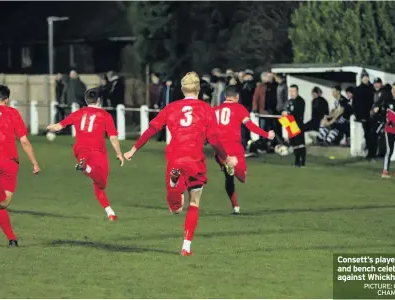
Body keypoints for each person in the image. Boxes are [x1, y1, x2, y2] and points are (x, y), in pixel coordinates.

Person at [123, 72, 238, 256]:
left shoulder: (172, 107)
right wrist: (226, 157)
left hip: (175, 157)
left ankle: (175, 183)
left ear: (183, 89)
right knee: (194, 202)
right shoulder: (206, 109)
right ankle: (186, 246)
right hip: (195, 159)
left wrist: (133, 150)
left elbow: (152, 129)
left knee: (175, 209)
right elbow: (214, 139)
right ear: (199, 89)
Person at [47, 88, 124, 220]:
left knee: (95, 181)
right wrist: (119, 153)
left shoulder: (78, 113)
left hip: (80, 151)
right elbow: (112, 137)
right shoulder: (105, 115)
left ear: (86, 100)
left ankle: (110, 212)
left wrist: (49, 127)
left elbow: (59, 126)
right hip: (97, 150)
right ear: (99, 100)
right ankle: (86, 168)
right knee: (102, 183)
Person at [0, 85, 41, 247]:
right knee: (3, 203)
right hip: (8, 162)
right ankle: (11, 239)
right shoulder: (12, 113)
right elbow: (24, 141)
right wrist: (34, 163)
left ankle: (12, 238)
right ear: (7, 99)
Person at [215, 85, 275, 214]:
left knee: (228, 178)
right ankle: (233, 167)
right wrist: (266, 134)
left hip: (220, 149)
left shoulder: (215, 110)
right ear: (237, 97)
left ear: (225, 96)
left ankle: (235, 207)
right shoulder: (239, 108)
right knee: (242, 177)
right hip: (234, 147)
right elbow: (250, 126)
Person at [282, 85, 306, 167]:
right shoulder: (289, 101)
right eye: (290, 91)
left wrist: (288, 113)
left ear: (297, 91)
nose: (291, 93)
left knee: (300, 144)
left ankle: (302, 162)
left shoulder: (300, 101)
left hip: (298, 124)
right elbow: (285, 111)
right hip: (290, 123)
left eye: (293, 91)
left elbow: (297, 113)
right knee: (294, 144)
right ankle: (296, 162)